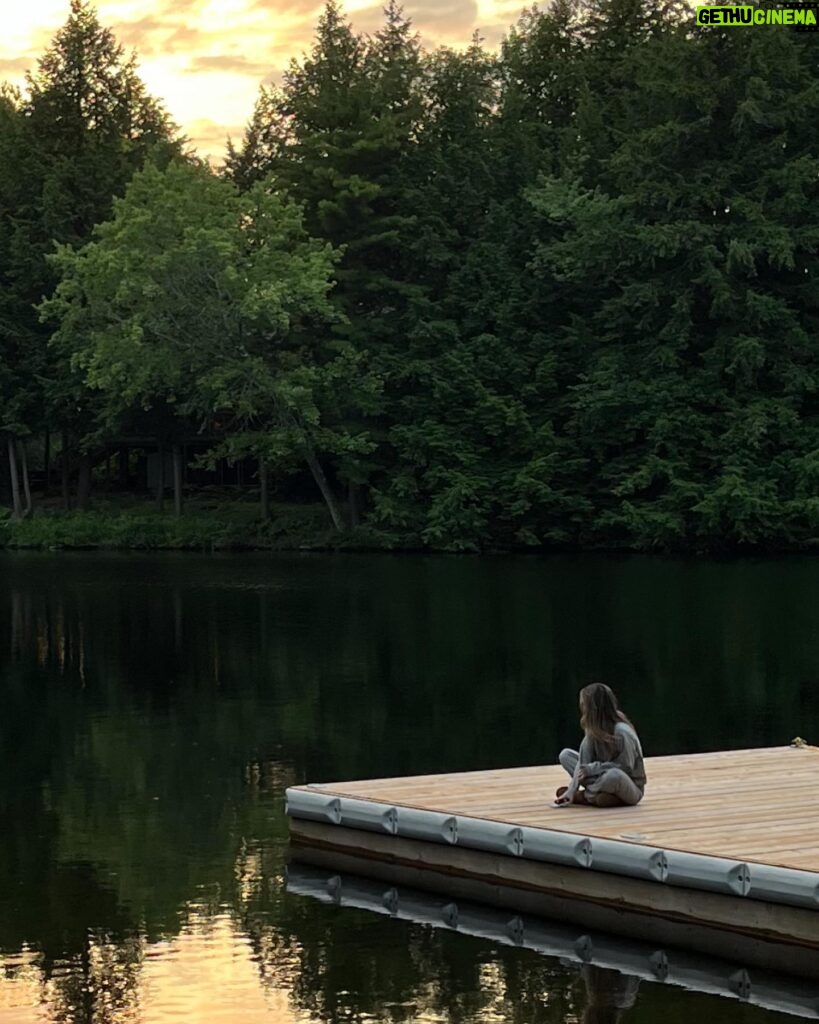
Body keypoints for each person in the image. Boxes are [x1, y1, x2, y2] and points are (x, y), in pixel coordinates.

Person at [554, 683, 646, 808]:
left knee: (614, 775)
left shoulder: (622, 732)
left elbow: (625, 768)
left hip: (629, 785)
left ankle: (585, 796)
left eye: (583, 705)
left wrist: (592, 769)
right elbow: (582, 763)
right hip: (600, 778)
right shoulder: (593, 730)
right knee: (565, 755)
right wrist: (571, 789)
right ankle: (600, 796)